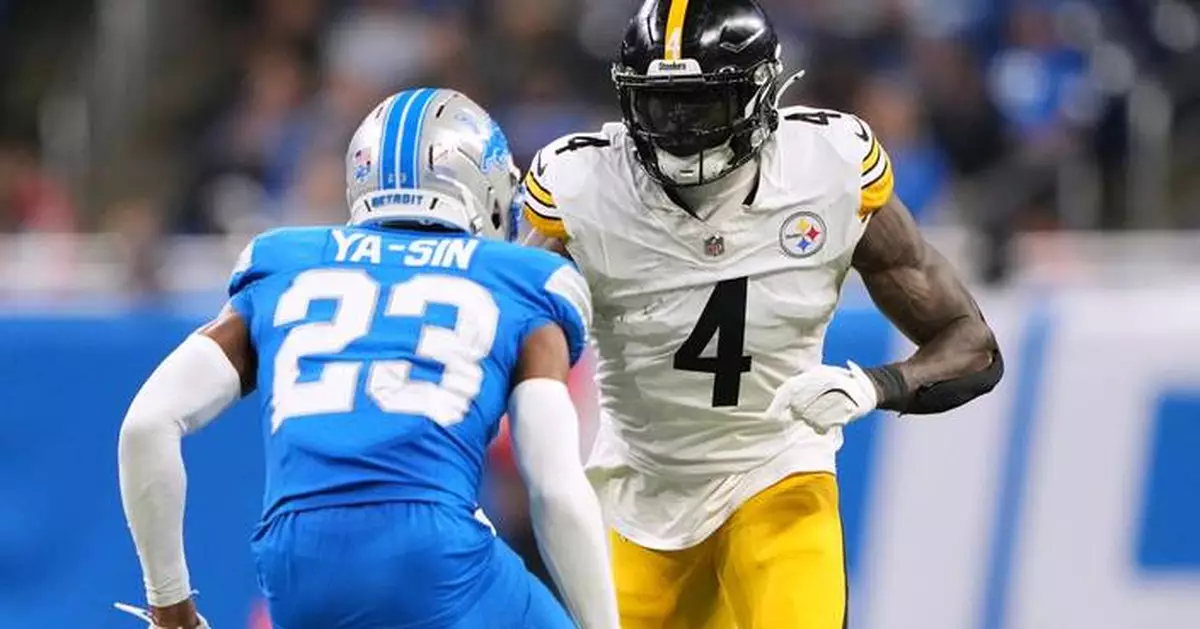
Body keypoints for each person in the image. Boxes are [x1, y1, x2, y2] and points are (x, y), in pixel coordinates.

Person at [521, 1, 1004, 628]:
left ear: (759, 94)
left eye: (702, 103)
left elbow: (972, 345)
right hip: (639, 489)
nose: (680, 129)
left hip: (776, 469)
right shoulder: (580, 186)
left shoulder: (827, 167)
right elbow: (493, 332)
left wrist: (873, 387)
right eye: (662, 104)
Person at [117, 88, 618, 629]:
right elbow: (555, 487)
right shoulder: (522, 282)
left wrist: (171, 608)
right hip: (431, 549)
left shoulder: (284, 263)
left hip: (293, 563)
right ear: (486, 185)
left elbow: (146, 426)